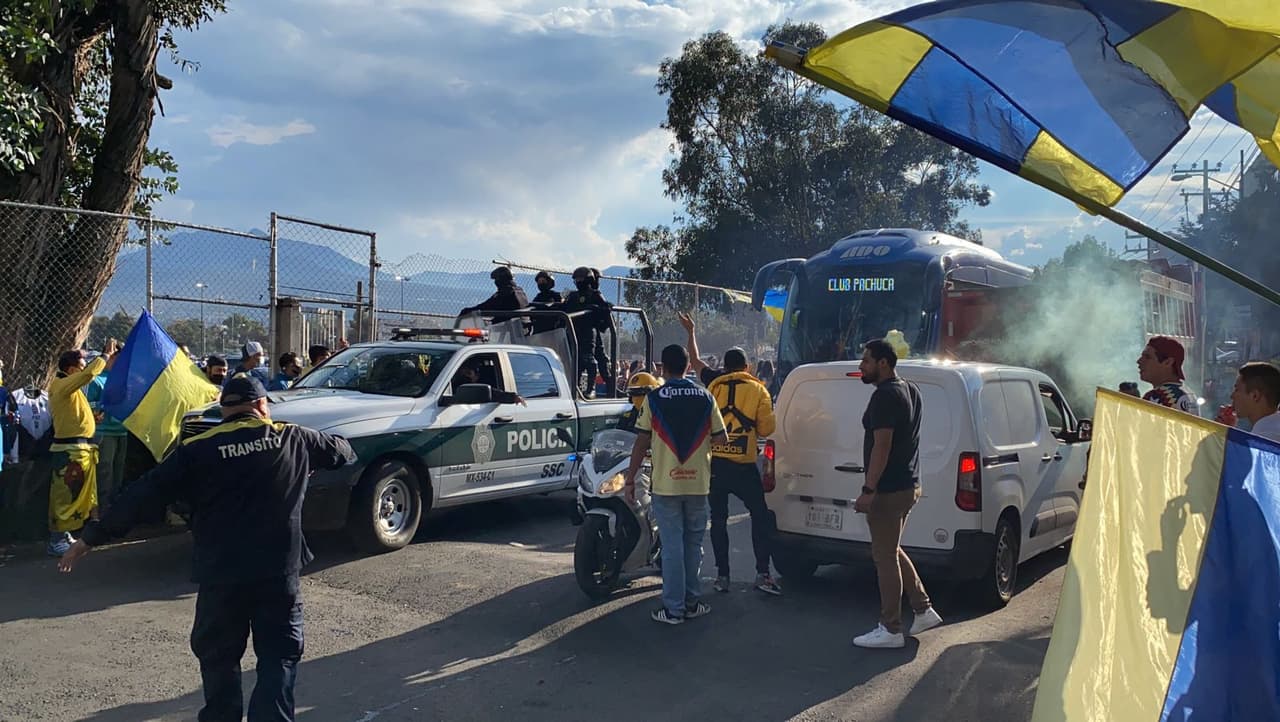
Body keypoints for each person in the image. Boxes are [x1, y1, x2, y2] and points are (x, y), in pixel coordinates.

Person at [58, 376, 356, 722]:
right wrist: (308, 462)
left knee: (219, 657)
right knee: (279, 656)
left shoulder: (197, 449)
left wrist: (90, 538)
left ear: (224, 411)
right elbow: (343, 451)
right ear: (262, 407)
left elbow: (141, 495)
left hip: (221, 573)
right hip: (277, 571)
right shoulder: (292, 437)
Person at [624, 344, 728, 625]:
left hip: (665, 485)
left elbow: (641, 440)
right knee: (693, 545)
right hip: (698, 483)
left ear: (663, 369)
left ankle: (673, 609)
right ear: (687, 367)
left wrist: (631, 477)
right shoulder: (706, 397)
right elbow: (721, 438)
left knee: (671, 547)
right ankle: (692, 602)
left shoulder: (654, 398)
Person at [678, 311, 781, 595]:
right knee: (759, 516)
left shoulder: (713, 382)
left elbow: (696, 362)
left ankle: (722, 577)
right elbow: (767, 429)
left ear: (725, 365)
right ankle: (763, 573)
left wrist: (691, 332)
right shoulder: (758, 390)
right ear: (747, 367)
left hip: (716, 467)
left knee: (718, 520)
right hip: (744, 467)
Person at [851, 339, 942, 649]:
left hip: (888, 490)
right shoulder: (909, 388)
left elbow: (883, 445)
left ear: (884, 364)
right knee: (891, 548)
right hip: (907, 485)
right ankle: (923, 608)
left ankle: (890, 629)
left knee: (884, 555)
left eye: (866, 361)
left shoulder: (885, 397)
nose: (860, 366)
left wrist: (868, 489)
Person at [46, 340, 121, 556]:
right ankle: (56, 539)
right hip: (69, 450)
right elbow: (88, 375)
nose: (84, 369)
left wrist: (93, 419)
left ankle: (66, 533)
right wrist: (105, 357)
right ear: (71, 370)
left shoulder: (70, 388)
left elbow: (76, 413)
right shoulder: (62, 385)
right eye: (81, 365)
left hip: (82, 448)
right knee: (65, 495)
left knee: (79, 495)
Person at [562, 267, 614, 398]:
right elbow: (564, 308)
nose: (579, 281)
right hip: (574, 331)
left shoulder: (595, 294)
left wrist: (599, 308)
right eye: (576, 279)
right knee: (577, 361)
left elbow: (606, 309)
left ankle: (592, 388)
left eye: (581, 279)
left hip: (589, 331)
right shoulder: (573, 295)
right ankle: (576, 387)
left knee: (590, 359)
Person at [85, 367, 129, 515]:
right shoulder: (96, 379)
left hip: (122, 431)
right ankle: (102, 510)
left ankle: (115, 508)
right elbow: (88, 404)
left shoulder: (125, 377)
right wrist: (101, 406)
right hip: (105, 432)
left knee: (119, 471)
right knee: (105, 472)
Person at [1216, 362, 1280, 442]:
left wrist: (1221, 435)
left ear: (1255, 396)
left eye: (1237, 390)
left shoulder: (1264, 440)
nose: (1232, 396)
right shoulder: (1271, 432)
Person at [1137, 336, 1198, 415]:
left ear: (1168, 362)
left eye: (1147, 357)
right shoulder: (1190, 394)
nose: (1139, 361)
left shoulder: (1155, 397)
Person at [460, 266, 530, 317]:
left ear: (500, 279)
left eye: (496, 279)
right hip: (522, 328)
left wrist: (468, 311)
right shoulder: (520, 291)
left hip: (505, 329)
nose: (495, 282)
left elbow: (487, 306)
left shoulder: (505, 293)